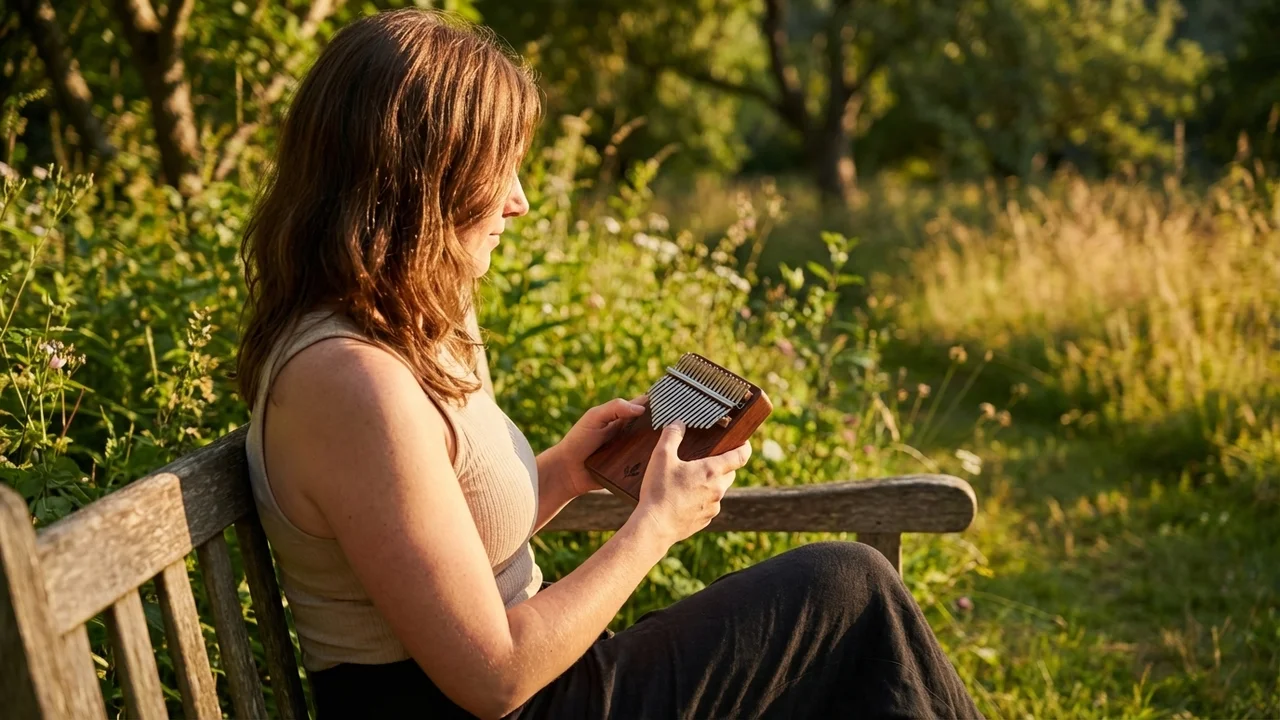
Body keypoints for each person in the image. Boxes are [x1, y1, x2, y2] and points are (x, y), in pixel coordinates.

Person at [236, 8, 982, 719]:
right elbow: (493, 677)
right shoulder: (349, 381)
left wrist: (567, 470)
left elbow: (446, 554)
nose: (520, 202)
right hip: (493, 704)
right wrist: (656, 524)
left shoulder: (412, 322)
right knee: (848, 588)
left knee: (846, 609)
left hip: (543, 689)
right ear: (419, 182)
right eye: (497, 171)